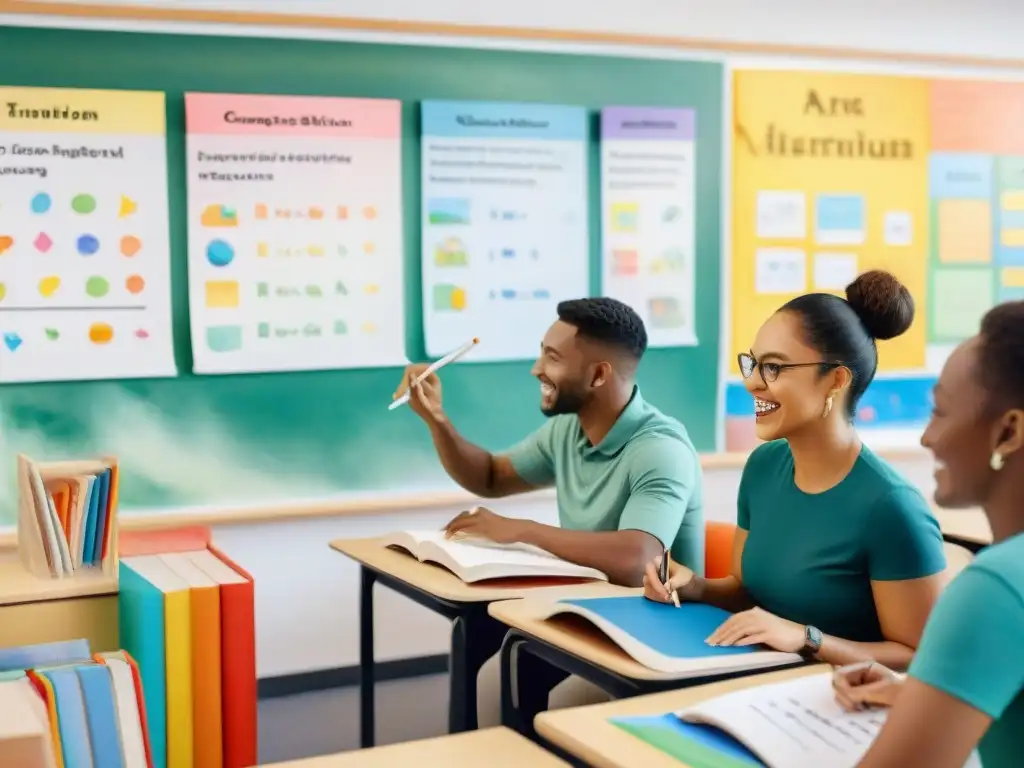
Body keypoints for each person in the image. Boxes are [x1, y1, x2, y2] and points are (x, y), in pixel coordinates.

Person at [394, 296, 705, 727]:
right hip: (591, 609)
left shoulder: (660, 449)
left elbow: (639, 560)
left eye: (552, 358)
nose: (536, 369)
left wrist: (523, 530)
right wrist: (438, 421)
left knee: (526, 689)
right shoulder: (568, 429)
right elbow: (489, 476)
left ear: (599, 374)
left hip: (655, 627)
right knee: (479, 647)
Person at [645, 270, 947, 669]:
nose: (752, 382)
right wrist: (696, 586)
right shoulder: (764, 466)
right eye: (752, 363)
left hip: (839, 703)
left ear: (835, 380)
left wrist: (807, 639)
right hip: (753, 675)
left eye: (774, 368)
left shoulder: (892, 508)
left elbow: (920, 660)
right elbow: (747, 593)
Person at [833, 300, 1024, 768]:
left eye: (939, 412)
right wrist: (923, 693)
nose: (926, 438)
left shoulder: (995, 587)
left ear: (1009, 432)